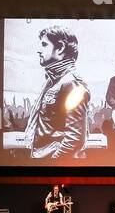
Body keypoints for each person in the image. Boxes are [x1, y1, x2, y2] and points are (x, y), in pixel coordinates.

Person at [24, 26, 90, 159]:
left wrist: (52, 163)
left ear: (60, 48)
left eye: (44, 45)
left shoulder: (71, 83)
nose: (39, 50)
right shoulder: (53, 81)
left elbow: (75, 139)